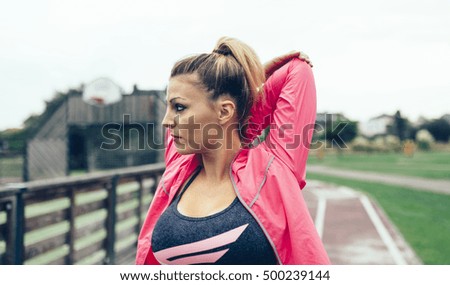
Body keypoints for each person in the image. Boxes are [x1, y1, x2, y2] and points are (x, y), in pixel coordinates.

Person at [136, 37, 330, 265]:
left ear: (225, 111)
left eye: (179, 107)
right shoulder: (179, 164)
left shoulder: (273, 171)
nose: (166, 122)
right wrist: (241, 96)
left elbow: (297, 71)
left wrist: (247, 89)